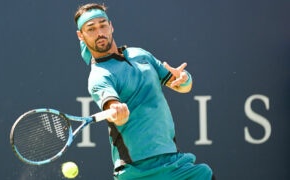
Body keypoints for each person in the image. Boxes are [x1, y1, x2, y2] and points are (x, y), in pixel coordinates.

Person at [74, 3, 214, 180]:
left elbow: (182, 86)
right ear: (81, 35)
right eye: (91, 29)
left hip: (174, 160)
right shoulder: (99, 76)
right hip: (137, 171)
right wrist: (118, 112)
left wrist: (184, 79)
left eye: (103, 25)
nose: (99, 32)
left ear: (111, 26)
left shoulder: (140, 54)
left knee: (205, 174)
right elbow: (113, 108)